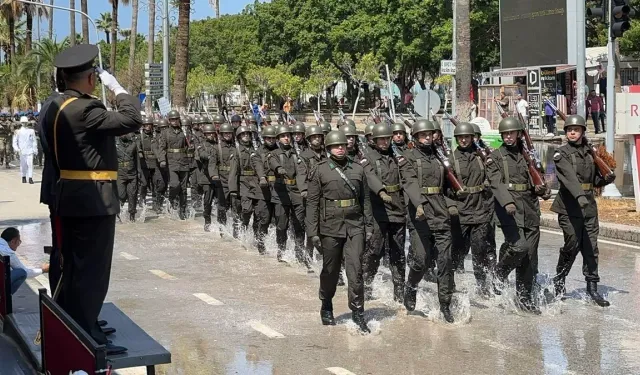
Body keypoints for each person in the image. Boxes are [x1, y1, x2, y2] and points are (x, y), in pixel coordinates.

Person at [43, 44, 141, 355]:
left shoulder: (52, 104)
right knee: (91, 271)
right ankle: (85, 336)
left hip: (66, 196)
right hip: (92, 201)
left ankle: (78, 322)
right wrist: (117, 88)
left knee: (71, 264)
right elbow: (132, 119)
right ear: (89, 79)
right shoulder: (85, 109)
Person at [306, 130, 373, 333]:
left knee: (356, 271)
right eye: (336, 146)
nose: (341, 148)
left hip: (355, 226)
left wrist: (368, 227)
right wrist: (313, 232)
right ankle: (326, 303)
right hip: (330, 227)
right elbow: (312, 203)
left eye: (343, 145)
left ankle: (358, 312)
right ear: (328, 149)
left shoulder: (357, 169)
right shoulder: (320, 170)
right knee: (330, 270)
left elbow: (366, 200)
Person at [551, 115, 616, 307]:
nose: (572, 132)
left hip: (588, 206)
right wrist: (579, 196)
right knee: (572, 243)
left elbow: (594, 180)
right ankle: (560, 278)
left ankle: (592, 287)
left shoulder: (590, 154)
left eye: (576, 129)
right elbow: (569, 178)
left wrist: (606, 178)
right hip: (569, 206)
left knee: (591, 247)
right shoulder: (560, 154)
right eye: (569, 129)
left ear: (582, 132)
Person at [400, 119, 459, 323]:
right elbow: (410, 184)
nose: (427, 138)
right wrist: (419, 205)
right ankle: (411, 286)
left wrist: (451, 202)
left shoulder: (439, 156)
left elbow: (448, 186)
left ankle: (445, 304)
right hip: (420, 214)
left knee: (445, 260)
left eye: (430, 134)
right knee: (421, 260)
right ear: (415, 137)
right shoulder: (407, 158)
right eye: (423, 135)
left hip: (440, 212)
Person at [485, 117, 545, 314]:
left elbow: (539, 177)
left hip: (530, 207)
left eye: (512, 133)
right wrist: (507, 202)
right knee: (520, 247)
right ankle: (500, 273)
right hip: (509, 208)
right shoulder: (495, 157)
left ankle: (524, 298)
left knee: (530, 257)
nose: (508, 136)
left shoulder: (528, 155)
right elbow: (496, 183)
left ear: (519, 134)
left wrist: (543, 189)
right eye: (505, 134)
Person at [361, 123, 406, 303]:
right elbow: (369, 176)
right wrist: (380, 191)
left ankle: (399, 292)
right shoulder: (368, 157)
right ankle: (366, 286)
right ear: (374, 140)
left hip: (398, 208)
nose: (385, 142)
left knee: (398, 252)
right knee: (374, 251)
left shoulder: (398, 156)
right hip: (377, 209)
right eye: (381, 139)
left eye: (387, 139)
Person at [449, 123, 495, 296]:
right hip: (460, 212)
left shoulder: (481, 156)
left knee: (480, 250)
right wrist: (451, 206)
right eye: (460, 137)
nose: (463, 140)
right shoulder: (451, 159)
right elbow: (445, 188)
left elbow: (495, 173)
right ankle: (450, 283)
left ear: (472, 138)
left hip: (480, 209)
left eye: (467, 137)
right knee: (457, 251)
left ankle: (482, 287)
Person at [0, 227, 49, 295]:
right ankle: (6, 297)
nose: (18, 245)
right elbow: (26, 272)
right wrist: (43, 270)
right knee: (21, 273)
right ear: (13, 241)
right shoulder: (8, 252)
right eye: (19, 242)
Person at [12, 116, 38, 184]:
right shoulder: (17, 132)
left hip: (30, 151)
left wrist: (35, 150)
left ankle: (30, 178)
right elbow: (14, 142)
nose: (24, 124)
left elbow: (34, 141)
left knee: (30, 165)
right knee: (23, 165)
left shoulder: (31, 131)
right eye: (23, 122)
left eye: (25, 122)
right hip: (22, 151)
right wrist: (17, 149)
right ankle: (23, 177)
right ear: (21, 123)